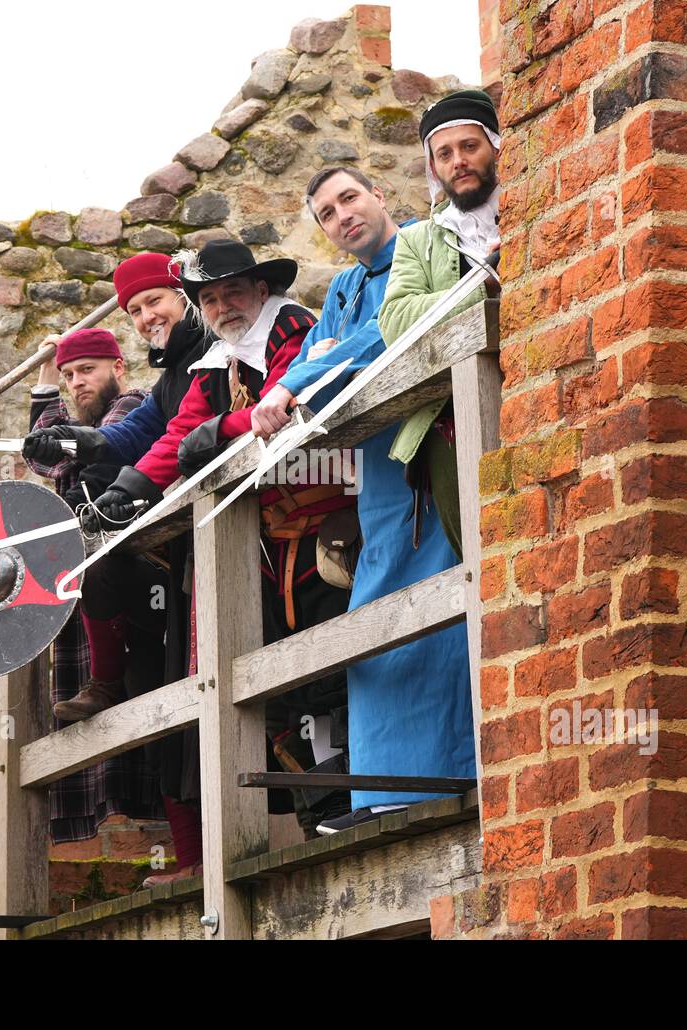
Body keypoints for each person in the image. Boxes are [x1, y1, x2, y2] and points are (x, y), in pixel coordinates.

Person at [94, 239, 355, 837]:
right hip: (270, 538)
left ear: (261, 290)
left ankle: (360, 791)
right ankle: (325, 805)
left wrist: (223, 427)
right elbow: (182, 430)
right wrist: (130, 488)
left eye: (232, 291)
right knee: (283, 674)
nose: (222, 306)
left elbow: (290, 396)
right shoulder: (221, 360)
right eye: (208, 298)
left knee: (337, 657)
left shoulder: (294, 327)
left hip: (330, 522)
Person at [250, 166, 475, 834]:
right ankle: (379, 798)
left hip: (427, 464)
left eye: (349, 197)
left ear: (379, 194)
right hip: (376, 488)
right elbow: (339, 355)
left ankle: (445, 783)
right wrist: (310, 372)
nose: (342, 214)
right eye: (326, 212)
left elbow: (389, 334)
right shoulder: (345, 287)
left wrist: (308, 371)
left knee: (437, 619)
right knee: (374, 633)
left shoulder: (428, 247)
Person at [24, 252, 209, 883]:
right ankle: (191, 860)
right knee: (160, 714)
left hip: (181, 554)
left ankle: (219, 852)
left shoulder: (181, 370)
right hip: (155, 570)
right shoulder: (165, 379)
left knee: (182, 703)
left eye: (155, 300)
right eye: (134, 309)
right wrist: (73, 428)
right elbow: (89, 446)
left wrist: (117, 478)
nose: (147, 315)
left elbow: (142, 433)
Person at [19, 327, 161, 844]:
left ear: (117, 368)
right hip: (90, 579)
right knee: (102, 722)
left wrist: (48, 401)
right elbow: (45, 455)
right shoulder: (84, 422)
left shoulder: (133, 407)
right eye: (70, 375)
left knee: (146, 703)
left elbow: (60, 454)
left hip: (136, 578)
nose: (78, 383)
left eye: (87, 371)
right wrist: (45, 370)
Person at [378, 88, 503, 559]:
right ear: (434, 166)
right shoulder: (416, 241)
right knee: (484, 559)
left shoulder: (535, 211)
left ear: (494, 146)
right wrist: (484, 285)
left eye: (470, 147)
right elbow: (395, 321)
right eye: (444, 154)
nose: (459, 162)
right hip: (450, 418)